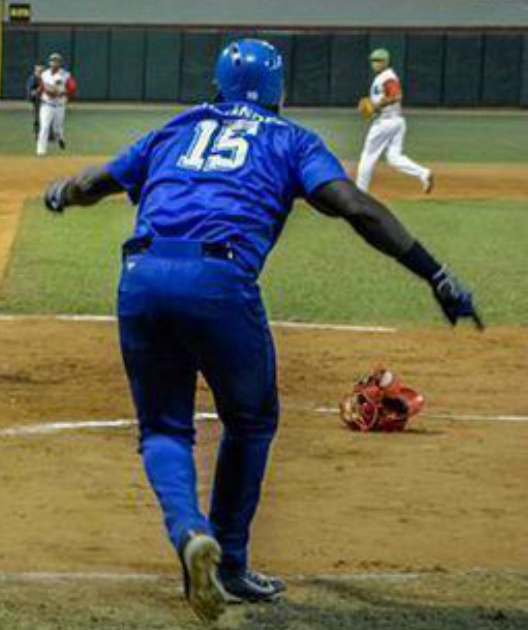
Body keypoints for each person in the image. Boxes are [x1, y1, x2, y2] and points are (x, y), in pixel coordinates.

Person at [42, 39, 481, 622]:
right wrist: (436, 274)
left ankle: (189, 532)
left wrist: (63, 193)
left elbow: (96, 182)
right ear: (279, 93)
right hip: (219, 280)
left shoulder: (180, 126)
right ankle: (229, 563)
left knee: (164, 428)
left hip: (141, 276)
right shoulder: (289, 138)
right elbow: (356, 206)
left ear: (216, 85)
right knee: (250, 421)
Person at [356, 48, 433, 193]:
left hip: (385, 123)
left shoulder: (387, 77)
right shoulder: (382, 77)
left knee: (367, 156)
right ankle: (424, 173)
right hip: (397, 122)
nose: (375, 63)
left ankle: (360, 193)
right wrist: (375, 107)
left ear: (386, 62)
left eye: (378, 60)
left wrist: (377, 105)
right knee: (394, 158)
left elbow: (397, 96)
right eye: (373, 60)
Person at [36, 53, 70, 155]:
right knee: (44, 127)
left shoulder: (64, 75)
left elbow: (55, 93)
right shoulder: (44, 74)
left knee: (57, 129)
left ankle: (60, 138)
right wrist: (37, 92)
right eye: (52, 60)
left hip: (59, 106)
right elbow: (42, 86)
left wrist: (63, 92)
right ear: (49, 62)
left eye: (56, 60)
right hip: (46, 105)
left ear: (60, 63)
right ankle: (41, 152)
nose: (54, 62)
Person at [27, 64, 44, 140]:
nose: (40, 72)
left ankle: (49, 134)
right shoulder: (32, 79)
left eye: (41, 71)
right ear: (35, 71)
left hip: (47, 101)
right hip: (37, 100)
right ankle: (37, 133)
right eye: (38, 71)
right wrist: (37, 92)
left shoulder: (47, 78)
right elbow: (30, 92)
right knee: (37, 117)